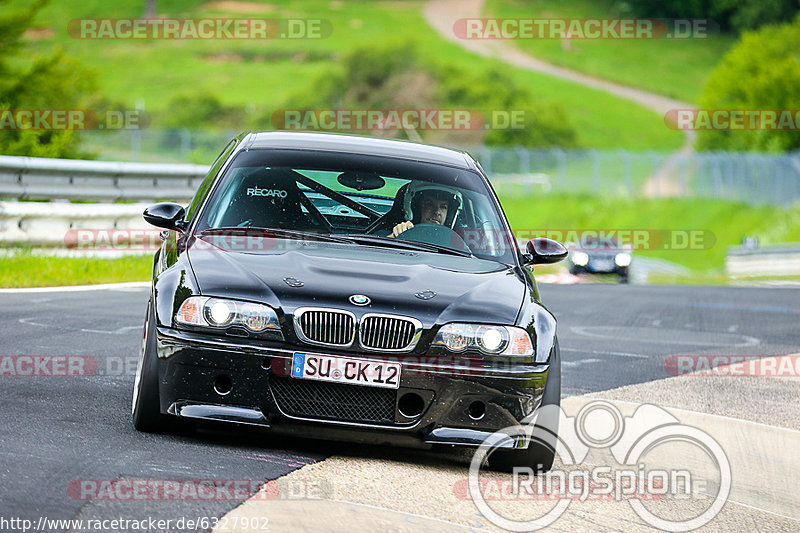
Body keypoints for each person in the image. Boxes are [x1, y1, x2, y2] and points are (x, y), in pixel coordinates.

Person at [388, 183, 462, 238]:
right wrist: (396, 236)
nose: (437, 212)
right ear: (415, 208)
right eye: (429, 204)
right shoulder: (403, 232)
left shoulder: (457, 244)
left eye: (443, 207)